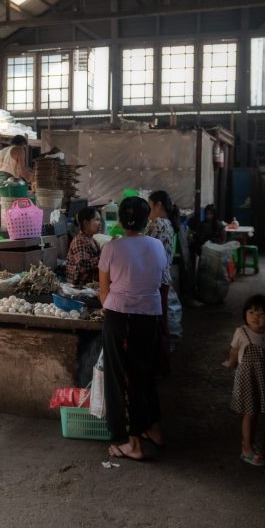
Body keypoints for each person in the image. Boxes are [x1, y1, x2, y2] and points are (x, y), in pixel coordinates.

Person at [99, 196, 168, 462]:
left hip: (120, 318)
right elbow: (159, 278)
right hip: (149, 318)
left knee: (125, 380)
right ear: (145, 219)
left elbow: (104, 293)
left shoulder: (112, 248)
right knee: (145, 374)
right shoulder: (157, 246)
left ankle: (134, 443)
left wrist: (114, 305)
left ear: (120, 221)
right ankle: (155, 430)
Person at [223, 293, 265, 467]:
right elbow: (233, 351)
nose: (255, 317)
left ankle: (251, 443)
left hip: (261, 378)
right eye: (252, 312)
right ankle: (246, 449)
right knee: (249, 414)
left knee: (256, 414)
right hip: (247, 379)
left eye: (261, 314)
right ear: (245, 313)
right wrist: (230, 364)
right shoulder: (242, 332)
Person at [146, 190, 178, 364]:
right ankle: (162, 363)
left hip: (156, 280)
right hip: (163, 279)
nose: (148, 211)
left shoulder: (158, 223)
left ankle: (161, 365)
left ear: (158, 205)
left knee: (158, 324)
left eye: (149, 206)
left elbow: (143, 246)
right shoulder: (167, 223)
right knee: (161, 322)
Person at [65, 207, 101, 288]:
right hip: (79, 287)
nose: (100, 223)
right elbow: (82, 265)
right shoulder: (79, 241)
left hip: (91, 285)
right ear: (86, 223)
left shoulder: (95, 242)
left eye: (100, 220)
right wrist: (104, 258)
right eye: (97, 220)